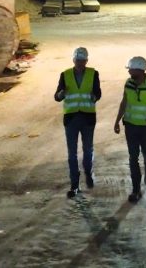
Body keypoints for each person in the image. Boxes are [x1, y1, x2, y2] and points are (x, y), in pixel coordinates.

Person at [113, 56, 146, 203]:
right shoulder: (128, 83)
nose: (129, 72)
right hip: (130, 126)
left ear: (140, 70)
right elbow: (124, 102)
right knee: (133, 158)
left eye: (131, 69)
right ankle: (136, 190)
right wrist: (116, 121)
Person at [54, 46, 101, 198]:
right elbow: (57, 96)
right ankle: (74, 184)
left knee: (88, 150)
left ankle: (88, 172)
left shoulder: (93, 74)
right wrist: (61, 94)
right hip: (71, 118)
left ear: (86, 60)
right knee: (72, 153)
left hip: (87, 117)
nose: (80, 63)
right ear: (73, 60)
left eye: (83, 61)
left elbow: (98, 92)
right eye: (78, 60)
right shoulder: (65, 74)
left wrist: (95, 97)